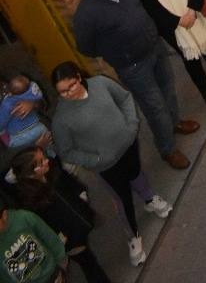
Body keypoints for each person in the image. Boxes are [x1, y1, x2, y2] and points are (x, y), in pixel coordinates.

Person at [72, 0, 193, 170]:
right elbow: (85, 47)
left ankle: (175, 123)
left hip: (154, 48)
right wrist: (117, 52)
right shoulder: (86, 13)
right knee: (155, 107)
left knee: (168, 90)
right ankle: (167, 149)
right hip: (133, 67)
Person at [51, 63, 172, 267]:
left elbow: (124, 98)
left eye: (70, 86)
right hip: (106, 165)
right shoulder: (61, 120)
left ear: (79, 77)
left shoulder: (100, 84)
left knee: (136, 174)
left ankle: (150, 199)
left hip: (128, 146)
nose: (67, 94)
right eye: (62, 91)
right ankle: (133, 236)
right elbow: (66, 151)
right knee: (122, 198)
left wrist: (131, 124)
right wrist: (95, 160)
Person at [6, 146, 109, 283]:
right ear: (30, 174)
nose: (46, 161)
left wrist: (81, 192)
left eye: (44, 158)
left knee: (89, 262)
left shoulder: (52, 173)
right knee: (90, 265)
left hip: (80, 223)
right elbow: (43, 228)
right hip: (71, 239)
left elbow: (69, 182)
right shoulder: (31, 202)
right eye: (41, 162)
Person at [0, 195, 67, 283]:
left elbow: (47, 236)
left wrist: (61, 261)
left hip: (51, 273)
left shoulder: (23, 218)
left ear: (4, 215)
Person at [0, 74, 52, 155]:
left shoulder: (16, 81)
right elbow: (8, 160)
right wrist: (36, 147)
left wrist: (33, 103)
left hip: (40, 126)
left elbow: (45, 104)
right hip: (24, 151)